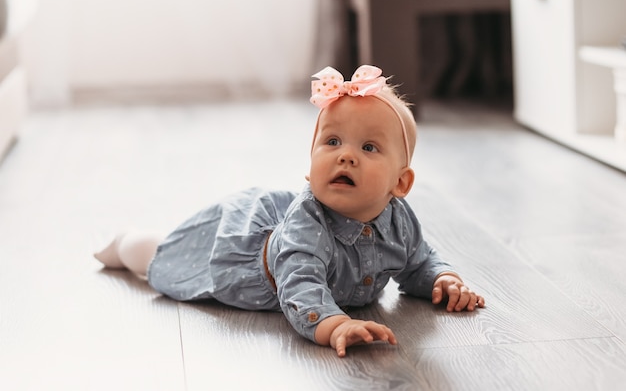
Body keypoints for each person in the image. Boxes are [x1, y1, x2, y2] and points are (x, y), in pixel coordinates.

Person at [94, 65, 485, 358]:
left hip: (281, 239)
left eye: (368, 148)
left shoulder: (399, 221)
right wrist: (335, 325)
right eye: (332, 141)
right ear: (310, 162)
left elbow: (418, 261)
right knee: (160, 256)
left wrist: (442, 279)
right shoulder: (306, 225)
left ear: (400, 185)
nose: (346, 155)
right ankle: (125, 242)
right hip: (243, 257)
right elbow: (301, 286)